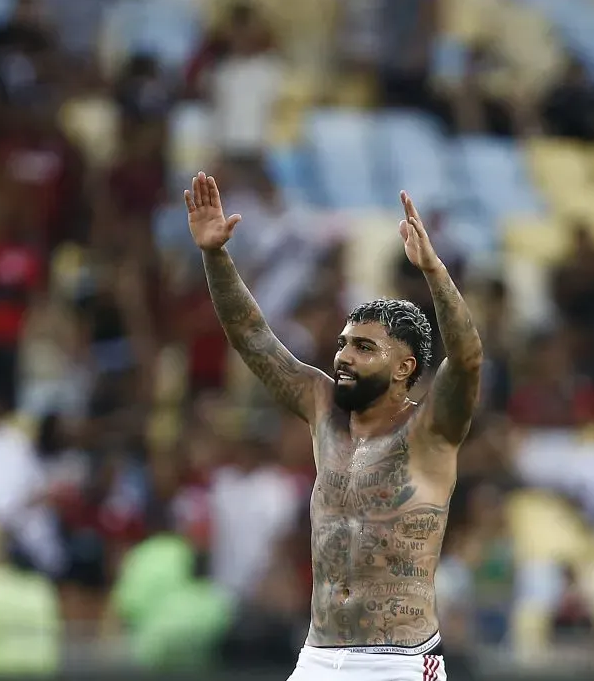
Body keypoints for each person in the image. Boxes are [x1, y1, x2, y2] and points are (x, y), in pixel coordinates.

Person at [184, 172, 482, 681]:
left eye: (363, 348)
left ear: (405, 368)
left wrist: (433, 272)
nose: (343, 356)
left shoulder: (431, 431)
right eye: (344, 343)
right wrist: (216, 256)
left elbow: (468, 358)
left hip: (400, 663)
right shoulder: (323, 408)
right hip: (319, 656)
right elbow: (251, 336)